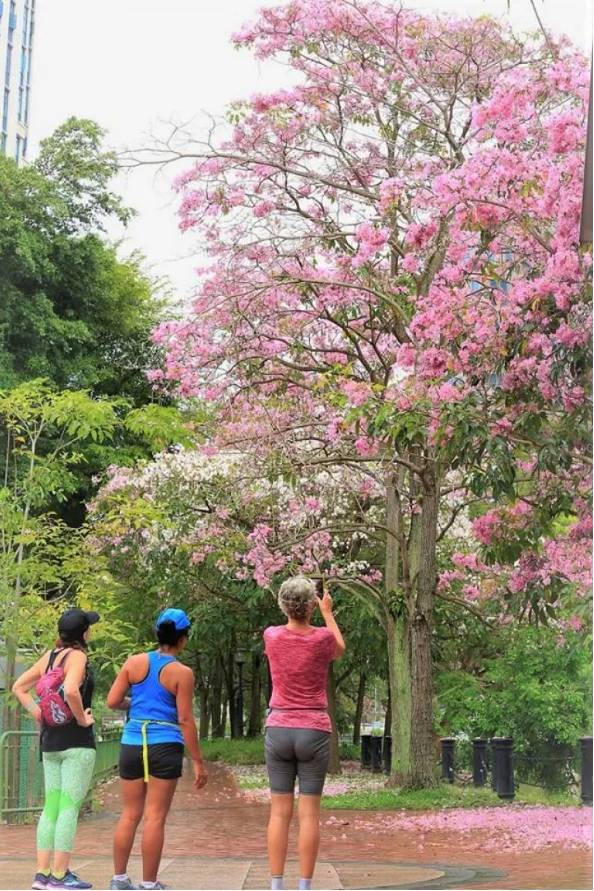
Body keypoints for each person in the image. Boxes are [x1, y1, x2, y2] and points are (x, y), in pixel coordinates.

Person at [106, 608, 208, 891]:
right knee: (155, 817)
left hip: (132, 742)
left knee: (129, 814)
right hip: (164, 744)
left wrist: (136, 704)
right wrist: (198, 761)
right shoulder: (182, 673)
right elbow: (185, 719)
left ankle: (119, 880)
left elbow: (113, 701)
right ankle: (149, 884)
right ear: (183, 639)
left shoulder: (134, 662)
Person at [263, 577, 346, 891]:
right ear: (311, 604)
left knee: (279, 813)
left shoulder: (271, 636)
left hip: (279, 728)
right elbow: (340, 649)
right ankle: (305, 886)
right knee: (309, 814)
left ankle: (276, 885)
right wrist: (328, 613)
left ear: (283, 604)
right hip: (313, 729)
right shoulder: (322, 639)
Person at [13, 608, 100, 891]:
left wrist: (39, 714)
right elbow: (72, 690)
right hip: (77, 744)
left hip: (50, 743)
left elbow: (18, 687)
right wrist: (82, 719)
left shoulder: (49, 657)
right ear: (84, 633)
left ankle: (43, 874)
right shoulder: (78, 657)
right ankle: (60, 877)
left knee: (51, 806)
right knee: (68, 808)